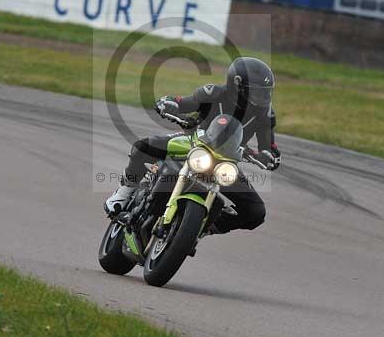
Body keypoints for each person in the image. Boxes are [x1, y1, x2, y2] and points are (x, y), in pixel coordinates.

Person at [105, 57, 281, 233]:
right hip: (193, 144)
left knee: (256, 212)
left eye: (266, 93)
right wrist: (168, 103)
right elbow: (183, 103)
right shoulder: (214, 93)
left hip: (226, 161)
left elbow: (268, 147)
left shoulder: (265, 114)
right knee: (143, 146)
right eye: (257, 93)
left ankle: (202, 228)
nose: (263, 98)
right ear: (237, 86)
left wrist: (269, 157)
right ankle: (123, 193)